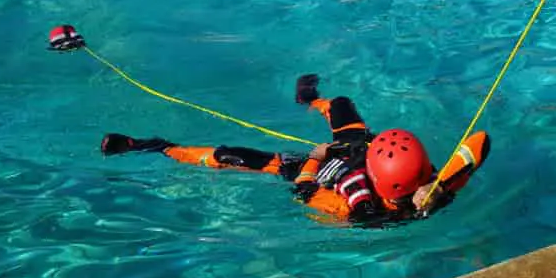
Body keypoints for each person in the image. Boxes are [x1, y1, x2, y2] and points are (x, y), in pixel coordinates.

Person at [98, 66, 488, 226]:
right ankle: (309, 100)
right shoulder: (437, 187)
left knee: (228, 156)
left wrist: (315, 159)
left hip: (319, 168)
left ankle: (155, 145)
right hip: (356, 150)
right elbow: (479, 142)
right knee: (340, 106)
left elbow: (304, 193)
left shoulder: (350, 205)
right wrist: (436, 190)